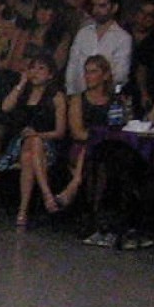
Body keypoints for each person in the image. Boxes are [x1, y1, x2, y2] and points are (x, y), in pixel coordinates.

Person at [0, 55, 66, 227]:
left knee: (32, 147)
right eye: (33, 67)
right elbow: (5, 107)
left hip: (47, 144)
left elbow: (60, 132)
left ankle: (23, 210)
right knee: (29, 146)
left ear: (50, 74)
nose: (35, 72)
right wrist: (21, 83)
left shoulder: (57, 97)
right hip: (20, 144)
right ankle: (47, 195)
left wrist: (38, 135)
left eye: (41, 68)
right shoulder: (23, 93)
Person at [52, 55, 115, 215]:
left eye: (93, 72)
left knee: (102, 155)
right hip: (81, 147)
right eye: (86, 72)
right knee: (92, 151)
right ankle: (94, 212)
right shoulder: (78, 99)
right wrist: (101, 137)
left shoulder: (115, 100)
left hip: (108, 147)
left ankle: (76, 185)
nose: (88, 76)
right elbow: (77, 132)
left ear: (105, 75)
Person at [65, 0, 131, 95]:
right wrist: (71, 93)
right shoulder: (83, 33)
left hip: (106, 98)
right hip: (79, 96)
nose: (96, 10)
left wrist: (107, 96)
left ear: (114, 8)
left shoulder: (123, 38)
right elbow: (72, 65)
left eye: (102, 6)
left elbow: (121, 74)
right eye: (94, 5)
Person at [20, 0, 70, 75]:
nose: (42, 14)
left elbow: (58, 63)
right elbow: (16, 56)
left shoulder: (63, 36)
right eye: (39, 10)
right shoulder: (28, 31)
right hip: (23, 72)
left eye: (47, 10)